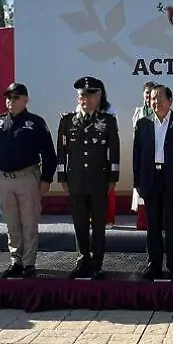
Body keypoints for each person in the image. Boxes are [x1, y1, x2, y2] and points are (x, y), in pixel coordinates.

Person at [0, 82, 57, 278]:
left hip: (27, 177)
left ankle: (29, 263)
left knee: (29, 221)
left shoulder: (36, 123)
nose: (11, 101)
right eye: (8, 97)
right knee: (12, 222)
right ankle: (15, 260)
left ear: (26, 100)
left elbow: (49, 152)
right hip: (4, 179)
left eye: (15, 97)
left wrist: (47, 178)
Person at [57, 76, 120, 279]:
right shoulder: (67, 121)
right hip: (76, 180)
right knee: (79, 222)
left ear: (98, 96)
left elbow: (114, 152)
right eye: (82, 95)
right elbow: (62, 152)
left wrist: (113, 177)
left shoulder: (107, 121)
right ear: (78, 97)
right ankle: (82, 258)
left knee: (99, 224)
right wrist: (62, 176)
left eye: (91, 94)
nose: (86, 98)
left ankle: (97, 262)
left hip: (98, 180)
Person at [132, 84, 173, 281]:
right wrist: (137, 183)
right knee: (153, 226)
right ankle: (154, 265)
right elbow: (137, 155)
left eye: (160, 97)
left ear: (170, 100)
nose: (155, 101)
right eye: (152, 98)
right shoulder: (143, 123)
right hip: (151, 179)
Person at [130, 82, 158, 230]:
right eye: (146, 93)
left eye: (151, 93)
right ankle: (142, 223)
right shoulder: (139, 111)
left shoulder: (161, 112)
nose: (148, 96)